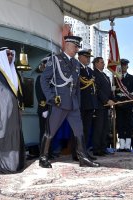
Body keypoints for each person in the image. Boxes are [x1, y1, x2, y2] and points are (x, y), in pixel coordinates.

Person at [39, 36, 99, 168]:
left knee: (79, 130)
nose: (77, 49)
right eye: (75, 46)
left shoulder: (76, 64)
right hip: (58, 102)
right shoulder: (55, 60)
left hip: (73, 103)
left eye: (78, 47)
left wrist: (78, 102)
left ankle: (83, 158)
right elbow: (44, 79)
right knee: (50, 131)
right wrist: (51, 98)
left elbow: (76, 86)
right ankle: (43, 158)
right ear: (67, 45)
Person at [76, 48, 98, 160]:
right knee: (78, 129)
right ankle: (77, 153)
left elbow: (93, 88)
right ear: (79, 57)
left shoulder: (90, 70)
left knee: (86, 129)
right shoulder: (76, 68)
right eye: (86, 57)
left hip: (89, 104)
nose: (88, 59)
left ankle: (84, 152)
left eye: (89, 57)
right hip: (80, 104)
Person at [92, 57, 115, 156]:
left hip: (106, 106)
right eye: (101, 62)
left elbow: (109, 91)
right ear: (96, 63)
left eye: (103, 62)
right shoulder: (94, 74)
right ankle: (97, 149)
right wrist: (106, 100)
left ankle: (103, 148)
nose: (104, 64)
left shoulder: (105, 75)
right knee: (99, 128)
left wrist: (113, 100)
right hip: (99, 105)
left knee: (105, 128)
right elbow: (98, 90)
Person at [115, 58, 133, 152]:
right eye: (122, 65)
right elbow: (114, 93)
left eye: (125, 65)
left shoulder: (132, 78)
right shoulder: (116, 78)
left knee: (128, 125)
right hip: (119, 105)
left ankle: (127, 146)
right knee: (120, 125)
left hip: (128, 104)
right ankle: (121, 146)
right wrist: (116, 100)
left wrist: (132, 100)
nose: (123, 67)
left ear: (127, 66)